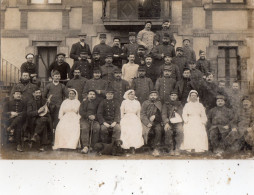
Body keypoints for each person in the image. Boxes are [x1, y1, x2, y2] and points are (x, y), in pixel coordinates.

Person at [120, 90, 144, 154]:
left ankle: (133, 147)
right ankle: (125, 147)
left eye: (133, 94)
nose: (132, 95)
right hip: (126, 118)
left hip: (134, 118)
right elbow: (122, 112)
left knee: (135, 130)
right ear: (127, 95)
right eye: (130, 94)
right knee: (126, 131)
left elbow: (138, 113)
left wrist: (139, 120)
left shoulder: (137, 102)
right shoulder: (124, 102)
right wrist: (122, 119)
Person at [140, 91, 162, 156]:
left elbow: (161, 114)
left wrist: (155, 116)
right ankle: (145, 147)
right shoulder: (145, 103)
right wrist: (147, 123)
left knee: (158, 130)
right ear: (149, 96)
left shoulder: (159, 103)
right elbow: (142, 114)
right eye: (151, 95)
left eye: (155, 95)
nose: (153, 96)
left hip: (156, 121)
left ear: (157, 96)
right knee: (145, 131)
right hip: (146, 121)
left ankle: (156, 149)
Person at [162, 91, 183, 156]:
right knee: (168, 131)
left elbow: (181, 113)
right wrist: (166, 123)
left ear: (177, 97)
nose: (173, 97)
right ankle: (170, 149)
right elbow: (164, 114)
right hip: (169, 122)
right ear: (170, 96)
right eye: (172, 95)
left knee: (180, 131)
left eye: (175, 95)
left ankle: (177, 149)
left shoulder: (179, 104)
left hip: (177, 122)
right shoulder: (166, 104)